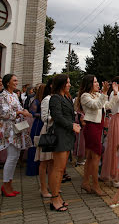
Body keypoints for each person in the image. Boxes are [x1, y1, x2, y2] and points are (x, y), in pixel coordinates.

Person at [75, 75, 118, 196]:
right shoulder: (85, 96)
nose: (97, 84)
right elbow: (96, 105)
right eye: (95, 82)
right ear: (89, 84)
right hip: (91, 127)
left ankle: (85, 182)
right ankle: (95, 185)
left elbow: (107, 106)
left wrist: (114, 94)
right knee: (96, 156)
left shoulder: (98, 95)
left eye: (97, 81)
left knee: (90, 157)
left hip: (98, 126)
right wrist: (104, 92)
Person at [0, 74, 33, 197]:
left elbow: (19, 107)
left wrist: (24, 111)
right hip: (8, 129)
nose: (16, 82)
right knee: (11, 157)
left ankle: (9, 183)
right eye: (14, 80)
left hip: (16, 128)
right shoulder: (3, 95)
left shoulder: (14, 95)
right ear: (8, 83)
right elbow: (4, 112)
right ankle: (6, 185)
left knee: (15, 156)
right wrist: (20, 112)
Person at [48, 74, 81, 212]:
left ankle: (57, 196)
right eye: (67, 82)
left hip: (67, 135)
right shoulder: (55, 98)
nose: (69, 85)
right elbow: (57, 117)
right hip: (60, 135)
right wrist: (71, 125)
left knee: (62, 168)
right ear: (61, 84)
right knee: (58, 168)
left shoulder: (65, 97)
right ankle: (54, 198)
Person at [35, 78, 53, 198]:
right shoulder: (47, 99)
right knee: (44, 161)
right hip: (48, 131)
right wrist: (58, 117)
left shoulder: (58, 98)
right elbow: (44, 117)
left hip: (57, 131)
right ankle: (43, 188)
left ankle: (52, 186)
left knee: (53, 161)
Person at [26, 83, 46, 176]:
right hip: (38, 124)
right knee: (35, 144)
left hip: (44, 124)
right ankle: (33, 168)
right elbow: (32, 112)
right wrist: (44, 115)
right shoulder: (36, 101)